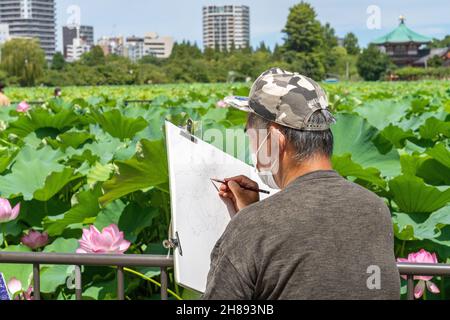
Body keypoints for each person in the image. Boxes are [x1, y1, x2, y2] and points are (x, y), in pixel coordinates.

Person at [202, 68, 400, 300]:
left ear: (275, 139)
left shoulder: (254, 226)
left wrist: (248, 224)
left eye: (251, 133)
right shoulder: (375, 209)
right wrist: (250, 216)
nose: (252, 147)